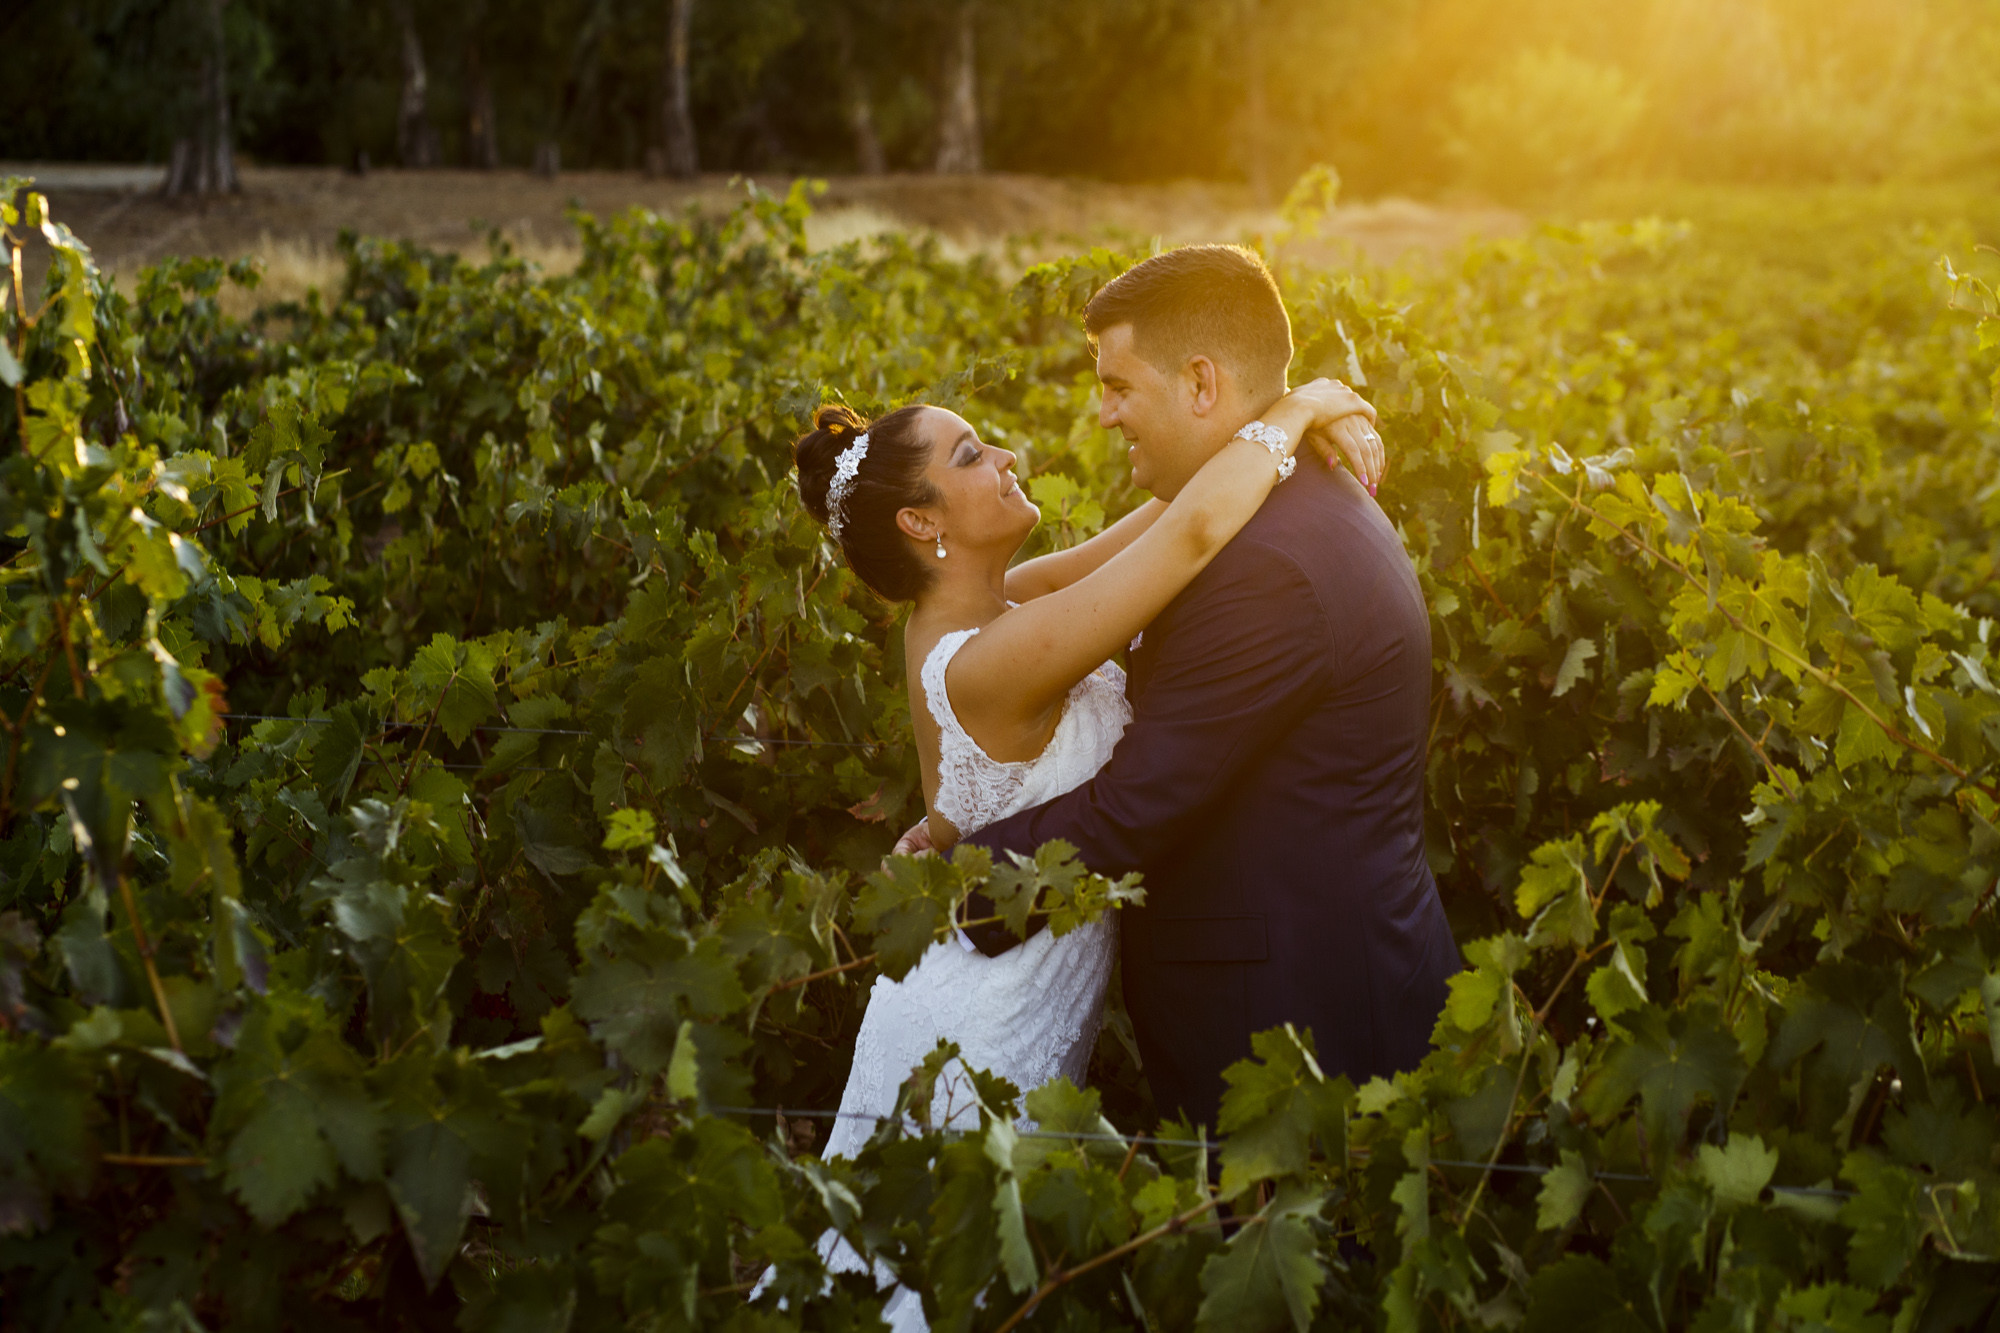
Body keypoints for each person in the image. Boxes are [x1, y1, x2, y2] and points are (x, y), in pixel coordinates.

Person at [789, 266, 1382, 1327]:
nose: (1005, 452)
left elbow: (1165, 508)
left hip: (1012, 980)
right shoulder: (988, 659)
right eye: (969, 456)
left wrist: (1264, 425)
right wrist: (1294, 409)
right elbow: (1188, 541)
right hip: (981, 1019)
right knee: (927, 1280)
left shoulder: (1002, 602)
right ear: (924, 526)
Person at [919, 245, 1462, 1131]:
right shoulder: (1259, 505)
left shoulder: (1271, 567)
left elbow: (1136, 809)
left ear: (1202, 383)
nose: (1104, 416)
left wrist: (947, 888)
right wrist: (1297, 408)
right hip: (1291, 1002)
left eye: (1119, 385)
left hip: (1305, 1032)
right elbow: (1036, 597)